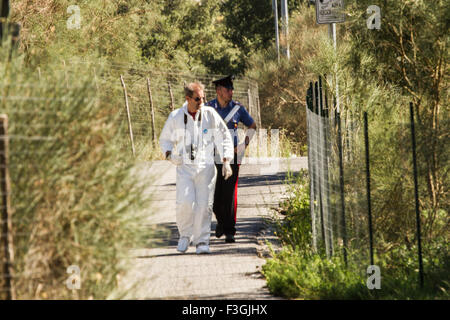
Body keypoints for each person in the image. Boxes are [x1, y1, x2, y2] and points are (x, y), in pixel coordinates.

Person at [159, 82, 234, 254]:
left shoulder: (209, 114)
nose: (203, 101)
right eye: (198, 99)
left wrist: (226, 160)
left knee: (204, 205)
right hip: (184, 167)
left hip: (206, 167)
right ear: (188, 99)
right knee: (184, 202)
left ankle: (202, 241)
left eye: (204, 98)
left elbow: (224, 136)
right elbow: (165, 140)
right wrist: (170, 155)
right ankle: (185, 235)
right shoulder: (176, 116)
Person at [206, 75, 257, 243]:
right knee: (213, 195)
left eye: (232, 89)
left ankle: (229, 230)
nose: (231, 92)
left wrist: (243, 145)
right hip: (212, 156)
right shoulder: (208, 108)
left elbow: (252, 126)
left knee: (229, 194)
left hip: (233, 157)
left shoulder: (238, 109)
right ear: (219, 91)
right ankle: (221, 221)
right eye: (228, 89)